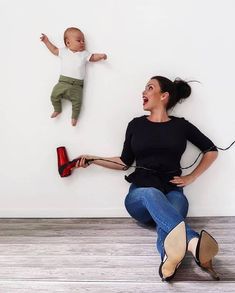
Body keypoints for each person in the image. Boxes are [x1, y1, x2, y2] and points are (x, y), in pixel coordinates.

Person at [75, 76, 219, 281]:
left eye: (149, 88)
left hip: (172, 192)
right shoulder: (135, 125)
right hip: (140, 196)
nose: (143, 92)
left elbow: (211, 150)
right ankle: (195, 243)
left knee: (169, 223)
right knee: (152, 194)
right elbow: (124, 162)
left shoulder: (181, 126)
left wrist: (191, 177)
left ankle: (168, 261)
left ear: (164, 96)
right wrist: (94, 158)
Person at [40, 27, 107, 126]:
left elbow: (92, 57)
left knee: (77, 103)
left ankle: (74, 117)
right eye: (79, 40)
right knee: (54, 95)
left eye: (83, 40)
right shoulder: (63, 51)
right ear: (68, 43)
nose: (82, 42)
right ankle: (57, 109)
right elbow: (54, 50)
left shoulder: (84, 54)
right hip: (63, 82)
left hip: (77, 86)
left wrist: (100, 56)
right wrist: (46, 41)